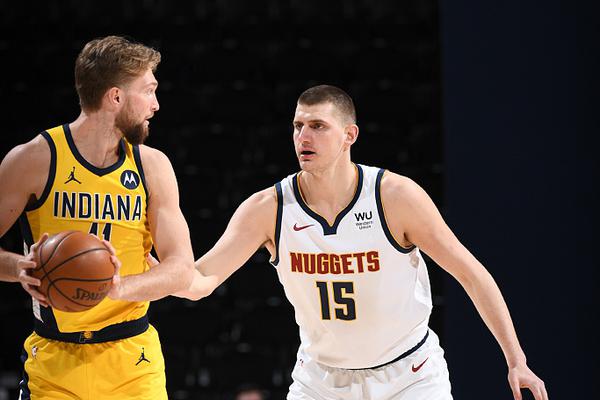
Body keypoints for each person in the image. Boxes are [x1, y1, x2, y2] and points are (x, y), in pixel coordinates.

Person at [173, 85, 548, 399]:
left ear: (349, 135)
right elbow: (199, 281)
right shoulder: (267, 209)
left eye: (318, 126)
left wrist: (516, 360)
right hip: (322, 380)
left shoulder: (395, 197)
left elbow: (472, 275)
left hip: (409, 374)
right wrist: (148, 271)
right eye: (298, 126)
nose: (304, 137)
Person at [0, 36, 195, 399]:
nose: (156, 104)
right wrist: (20, 268)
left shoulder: (152, 166)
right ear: (115, 97)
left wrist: (117, 287)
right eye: (148, 91)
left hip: (133, 361)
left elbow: (182, 268)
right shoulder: (34, 160)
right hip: (53, 362)